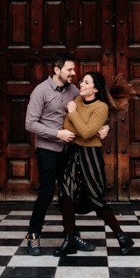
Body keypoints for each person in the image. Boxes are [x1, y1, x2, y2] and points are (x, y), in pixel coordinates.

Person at [22, 53, 108, 255]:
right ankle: (33, 236)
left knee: (67, 194)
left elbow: (90, 110)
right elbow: (29, 123)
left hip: (69, 151)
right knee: (45, 193)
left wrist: (106, 127)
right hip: (48, 150)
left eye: (74, 70)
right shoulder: (40, 91)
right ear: (57, 70)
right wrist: (56, 133)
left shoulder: (74, 90)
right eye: (69, 69)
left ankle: (72, 236)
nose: (74, 73)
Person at [54, 71, 137, 257]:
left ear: (96, 89)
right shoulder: (77, 100)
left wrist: (75, 115)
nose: (81, 84)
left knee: (95, 198)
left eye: (86, 82)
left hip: (90, 155)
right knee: (65, 192)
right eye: (82, 81)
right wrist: (81, 123)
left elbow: (87, 132)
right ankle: (69, 239)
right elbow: (68, 127)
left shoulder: (101, 108)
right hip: (73, 152)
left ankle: (122, 237)